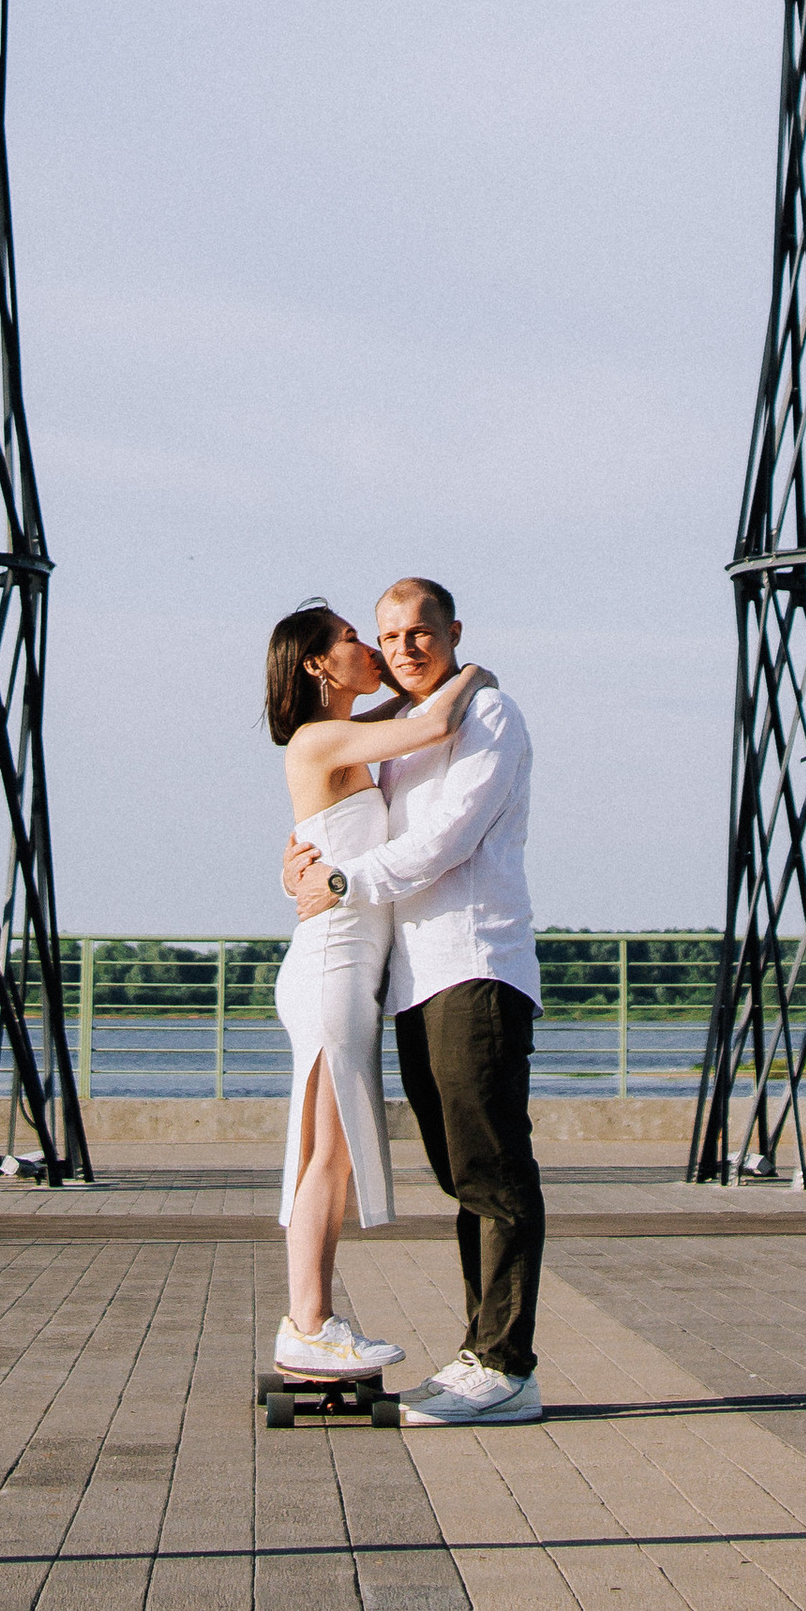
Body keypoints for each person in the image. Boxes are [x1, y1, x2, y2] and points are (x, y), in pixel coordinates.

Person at [282, 576, 543, 1426]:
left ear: (452, 631)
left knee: (493, 1171)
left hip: (475, 966)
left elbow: (445, 841)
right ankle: (476, 1355)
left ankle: (504, 1366)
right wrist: (300, 866)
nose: (401, 649)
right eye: (387, 636)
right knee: (459, 1172)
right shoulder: (386, 738)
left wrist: (342, 877)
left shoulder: (488, 718)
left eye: (417, 633)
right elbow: (333, 815)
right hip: (407, 980)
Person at [265, 599, 490, 1382]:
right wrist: (473, 674)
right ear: (320, 666)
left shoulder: (346, 738)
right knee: (327, 1149)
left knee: (326, 1148)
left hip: (348, 965)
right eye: (355, 640)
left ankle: (311, 1321)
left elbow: (407, 711)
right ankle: (309, 1323)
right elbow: (431, 724)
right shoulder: (322, 738)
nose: (374, 648)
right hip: (332, 962)